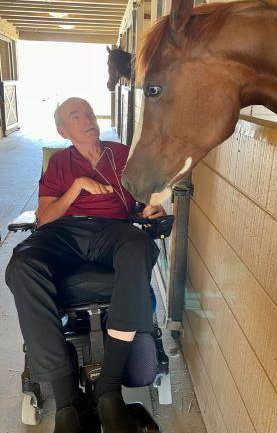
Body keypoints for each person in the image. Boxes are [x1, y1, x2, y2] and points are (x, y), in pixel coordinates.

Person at [5, 97, 166, 433]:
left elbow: (144, 198)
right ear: (63, 129)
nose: (87, 119)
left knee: (140, 246)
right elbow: (45, 217)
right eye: (75, 116)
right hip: (64, 231)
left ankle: (108, 389)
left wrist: (153, 209)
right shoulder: (60, 163)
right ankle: (69, 402)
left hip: (113, 231)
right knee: (21, 265)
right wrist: (77, 187)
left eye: (89, 113)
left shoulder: (120, 154)